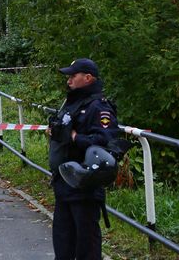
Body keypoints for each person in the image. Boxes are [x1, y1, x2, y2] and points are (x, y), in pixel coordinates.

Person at [49, 58, 120, 260]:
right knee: (63, 243)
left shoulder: (99, 107)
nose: (68, 81)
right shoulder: (72, 103)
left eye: (73, 76)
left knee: (86, 246)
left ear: (87, 78)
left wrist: (74, 138)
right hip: (63, 182)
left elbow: (106, 141)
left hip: (84, 184)